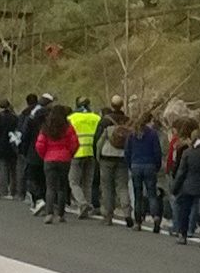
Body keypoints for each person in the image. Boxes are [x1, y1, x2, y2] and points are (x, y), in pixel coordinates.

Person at [34, 104, 79, 225]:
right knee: (62, 187)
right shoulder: (68, 127)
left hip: (49, 158)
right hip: (64, 159)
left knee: (50, 187)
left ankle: (49, 213)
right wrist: (70, 154)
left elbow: (39, 145)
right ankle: (61, 214)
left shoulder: (46, 127)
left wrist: (45, 155)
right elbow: (74, 143)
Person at [94, 96, 132, 226]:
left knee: (107, 187)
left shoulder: (105, 121)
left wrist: (97, 157)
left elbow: (98, 140)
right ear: (122, 105)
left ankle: (108, 216)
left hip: (106, 157)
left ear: (111, 105)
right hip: (122, 157)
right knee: (122, 186)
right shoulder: (127, 120)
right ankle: (127, 213)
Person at [126, 113, 164, 232]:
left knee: (138, 195)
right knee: (152, 194)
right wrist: (157, 166)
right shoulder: (152, 134)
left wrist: (130, 165)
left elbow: (127, 151)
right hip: (150, 165)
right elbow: (157, 151)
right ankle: (156, 216)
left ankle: (138, 222)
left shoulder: (132, 134)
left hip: (136, 165)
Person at [67, 99, 102, 219]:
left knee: (73, 181)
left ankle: (82, 203)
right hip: (91, 152)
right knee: (87, 182)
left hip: (76, 153)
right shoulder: (96, 117)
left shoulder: (72, 118)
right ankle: (88, 205)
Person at [20, 94, 52, 214]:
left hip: (33, 152)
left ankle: (38, 199)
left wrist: (23, 150)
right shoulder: (52, 122)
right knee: (44, 178)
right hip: (49, 153)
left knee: (31, 178)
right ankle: (43, 201)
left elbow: (25, 136)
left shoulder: (31, 120)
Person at [0, 99, 20, 198]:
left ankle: (3, 190)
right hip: (12, 144)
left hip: (1, 145)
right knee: (13, 169)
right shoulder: (14, 118)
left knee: (3, 167)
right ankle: (13, 190)